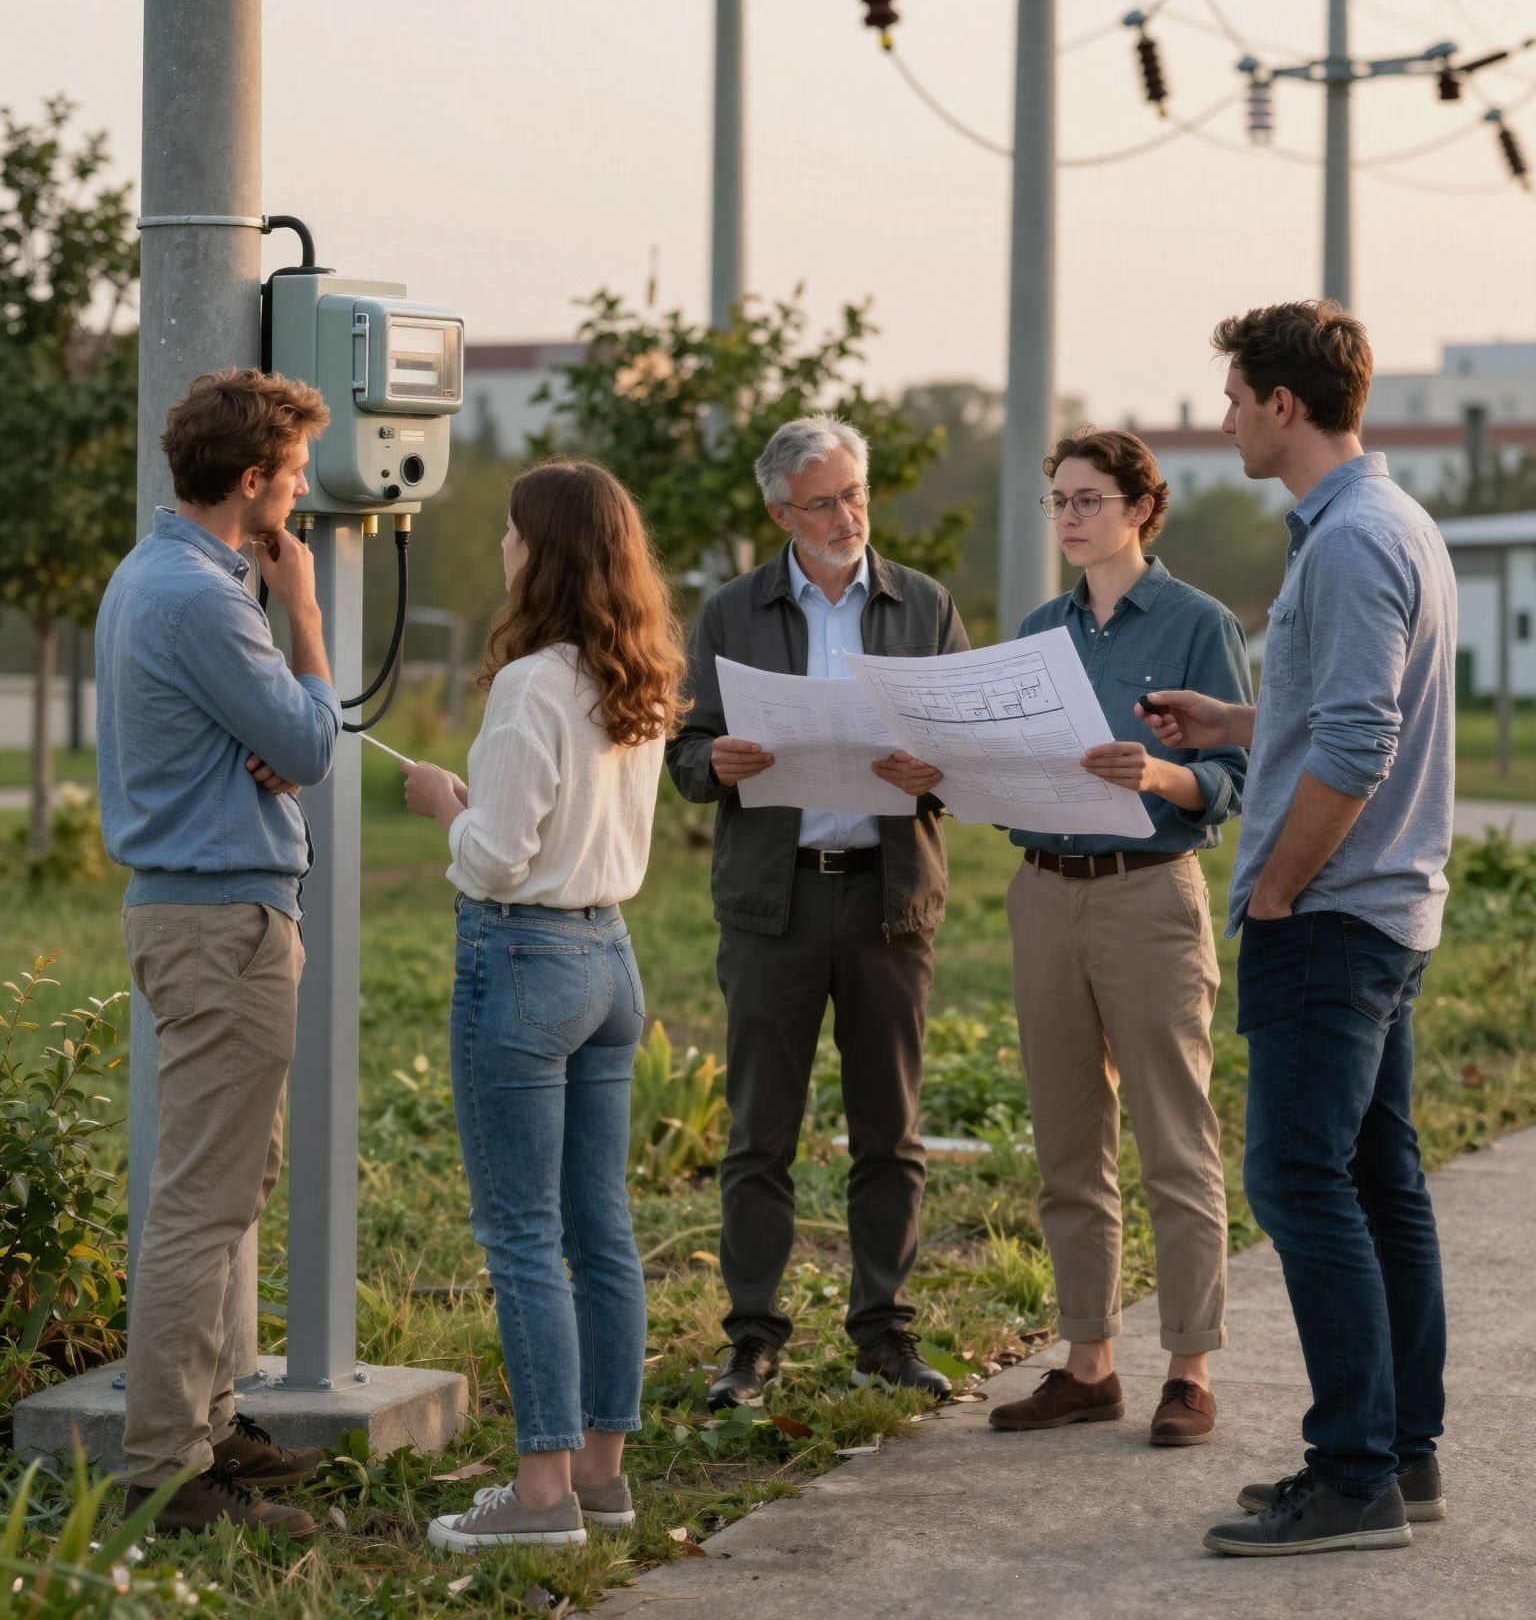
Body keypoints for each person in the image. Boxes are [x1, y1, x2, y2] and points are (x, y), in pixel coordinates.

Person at [1139, 303, 1456, 1559]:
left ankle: (1353, 1474)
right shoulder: (1388, 520)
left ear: (1284, 403)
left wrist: (1275, 889)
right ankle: (1401, 1455)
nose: (1224, 419)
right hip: (1381, 911)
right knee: (1379, 1181)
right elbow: (1335, 708)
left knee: (1297, 1179)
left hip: (1331, 915)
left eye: (1234, 397)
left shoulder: (1352, 539)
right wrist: (1234, 723)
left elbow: (1361, 743)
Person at [408, 459, 688, 1554]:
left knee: (522, 1234)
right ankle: (602, 1476)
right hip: (608, 957)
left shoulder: (531, 683)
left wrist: (445, 805)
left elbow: (495, 856)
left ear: (546, 551)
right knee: (600, 1227)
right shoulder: (638, 673)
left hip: (524, 960)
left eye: (514, 531)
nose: (503, 546)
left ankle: (539, 1495)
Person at [666, 414, 970, 1412]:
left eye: (856, 495)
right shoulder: (732, 612)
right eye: (823, 502)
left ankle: (884, 1331)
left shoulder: (923, 604)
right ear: (779, 514)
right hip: (775, 900)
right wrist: (714, 760)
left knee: (892, 1129)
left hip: (889, 899)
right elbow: (682, 755)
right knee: (760, 1132)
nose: (846, 516)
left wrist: (937, 771)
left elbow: (970, 759)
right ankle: (752, 1339)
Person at [97, 367, 340, 1537]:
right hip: (223, 921)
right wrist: (305, 618)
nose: (301, 496)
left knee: (231, 1181)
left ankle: (211, 1415)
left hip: (198, 911)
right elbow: (310, 740)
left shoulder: (154, 574)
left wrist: (277, 731)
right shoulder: (205, 597)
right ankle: (164, 1473)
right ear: (252, 480)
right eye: (294, 476)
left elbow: (277, 740)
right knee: (203, 1203)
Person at [986, 428, 1251, 1448]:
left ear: (1141, 508)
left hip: (1148, 897)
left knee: (1174, 1141)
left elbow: (1231, 779)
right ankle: (1088, 1363)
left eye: (1088, 498)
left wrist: (1158, 773)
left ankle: (1189, 1369)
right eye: (1058, 500)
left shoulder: (1198, 623)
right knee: (1067, 1144)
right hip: (1043, 893)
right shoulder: (1037, 629)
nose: (1068, 516)